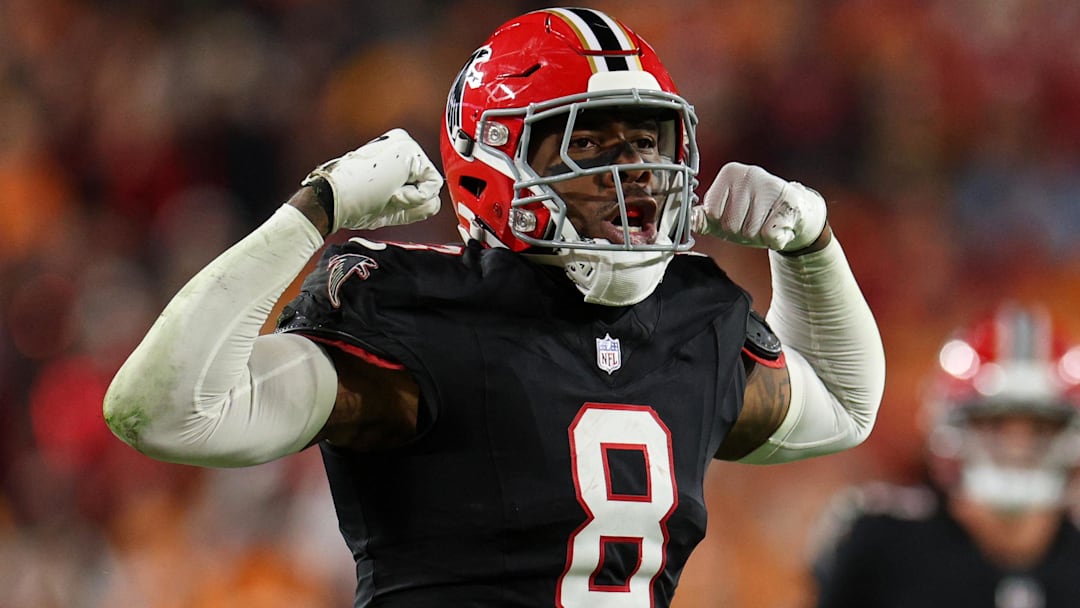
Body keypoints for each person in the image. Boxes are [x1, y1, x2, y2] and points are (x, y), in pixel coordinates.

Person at [103, 7, 885, 607]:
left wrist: (811, 246)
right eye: (592, 146)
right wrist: (315, 209)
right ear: (492, 166)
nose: (637, 175)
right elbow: (162, 412)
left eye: (648, 144)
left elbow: (849, 407)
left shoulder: (695, 314)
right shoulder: (412, 316)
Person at [811, 303, 1080, 608]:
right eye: (994, 423)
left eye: (1040, 426)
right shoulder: (882, 543)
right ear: (953, 425)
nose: (1016, 447)